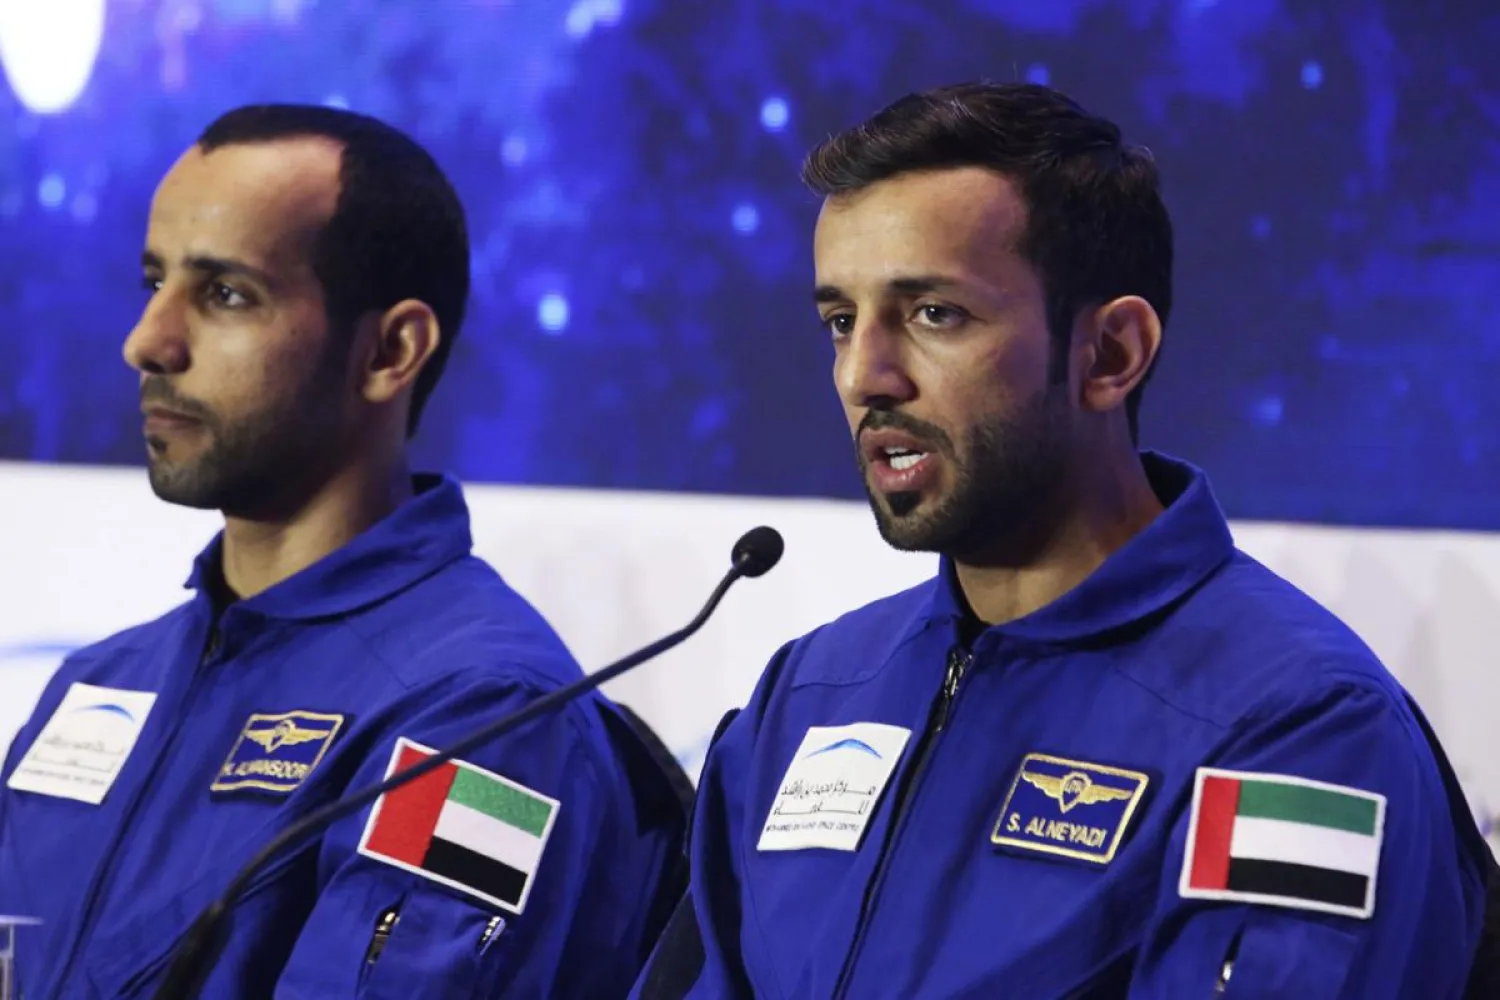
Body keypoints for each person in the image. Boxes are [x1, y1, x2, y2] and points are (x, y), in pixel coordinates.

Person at [632, 83, 1491, 999]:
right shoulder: (809, 695)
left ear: (1111, 354)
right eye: (841, 321)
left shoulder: (1299, 726)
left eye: (934, 314)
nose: (864, 374)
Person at [0, 104, 687, 998]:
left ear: (391, 351)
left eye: (225, 294)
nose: (149, 342)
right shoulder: (100, 685)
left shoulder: (488, 719)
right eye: (153, 281)